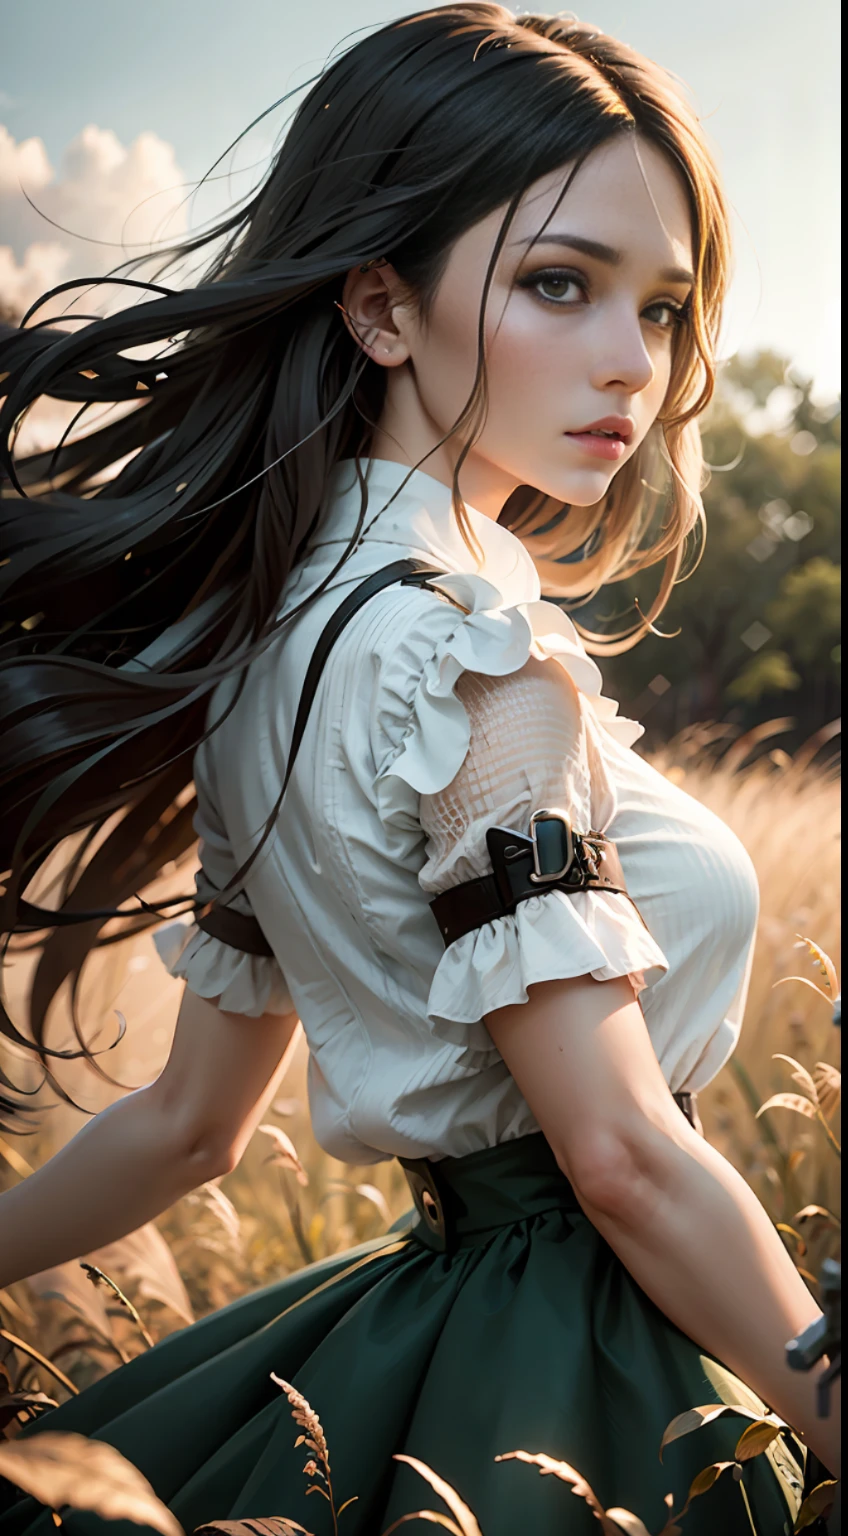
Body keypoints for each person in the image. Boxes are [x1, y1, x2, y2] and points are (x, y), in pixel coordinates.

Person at [0, 7, 839, 1533]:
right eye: (559, 285)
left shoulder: (268, 645)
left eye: (661, 307)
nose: (629, 365)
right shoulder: (470, 653)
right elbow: (624, 1158)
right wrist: (832, 1404)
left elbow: (190, 1127)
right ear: (381, 310)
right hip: (588, 1353)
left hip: (421, 1341)